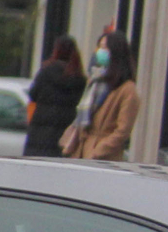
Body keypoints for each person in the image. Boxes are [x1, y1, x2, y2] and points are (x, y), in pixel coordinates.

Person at [72, 30, 140, 160]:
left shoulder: (127, 89)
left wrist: (98, 150)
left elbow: (123, 130)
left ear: (115, 53)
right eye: (99, 47)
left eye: (104, 47)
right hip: (83, 152)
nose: (99, 51)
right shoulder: (95, 81)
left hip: (103, 157)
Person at [23, 34, 86, 158]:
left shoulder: (46, 71)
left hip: (40, 131)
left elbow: (33, 94)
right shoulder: (79, 78)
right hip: (64, 131)